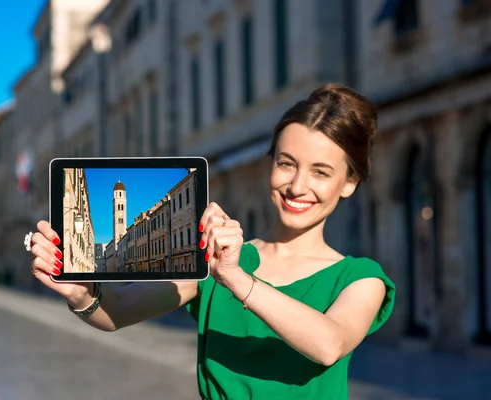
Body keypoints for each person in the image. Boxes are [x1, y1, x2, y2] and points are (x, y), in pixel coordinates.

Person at [27, 83, 395, 399]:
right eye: (286, 163)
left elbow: (328, 345)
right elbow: (120, 310)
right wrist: (82, 294)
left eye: (321, 172)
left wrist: (237, 278)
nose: (297, 186)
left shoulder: (361, 279)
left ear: (349, 183)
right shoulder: (212, 261)